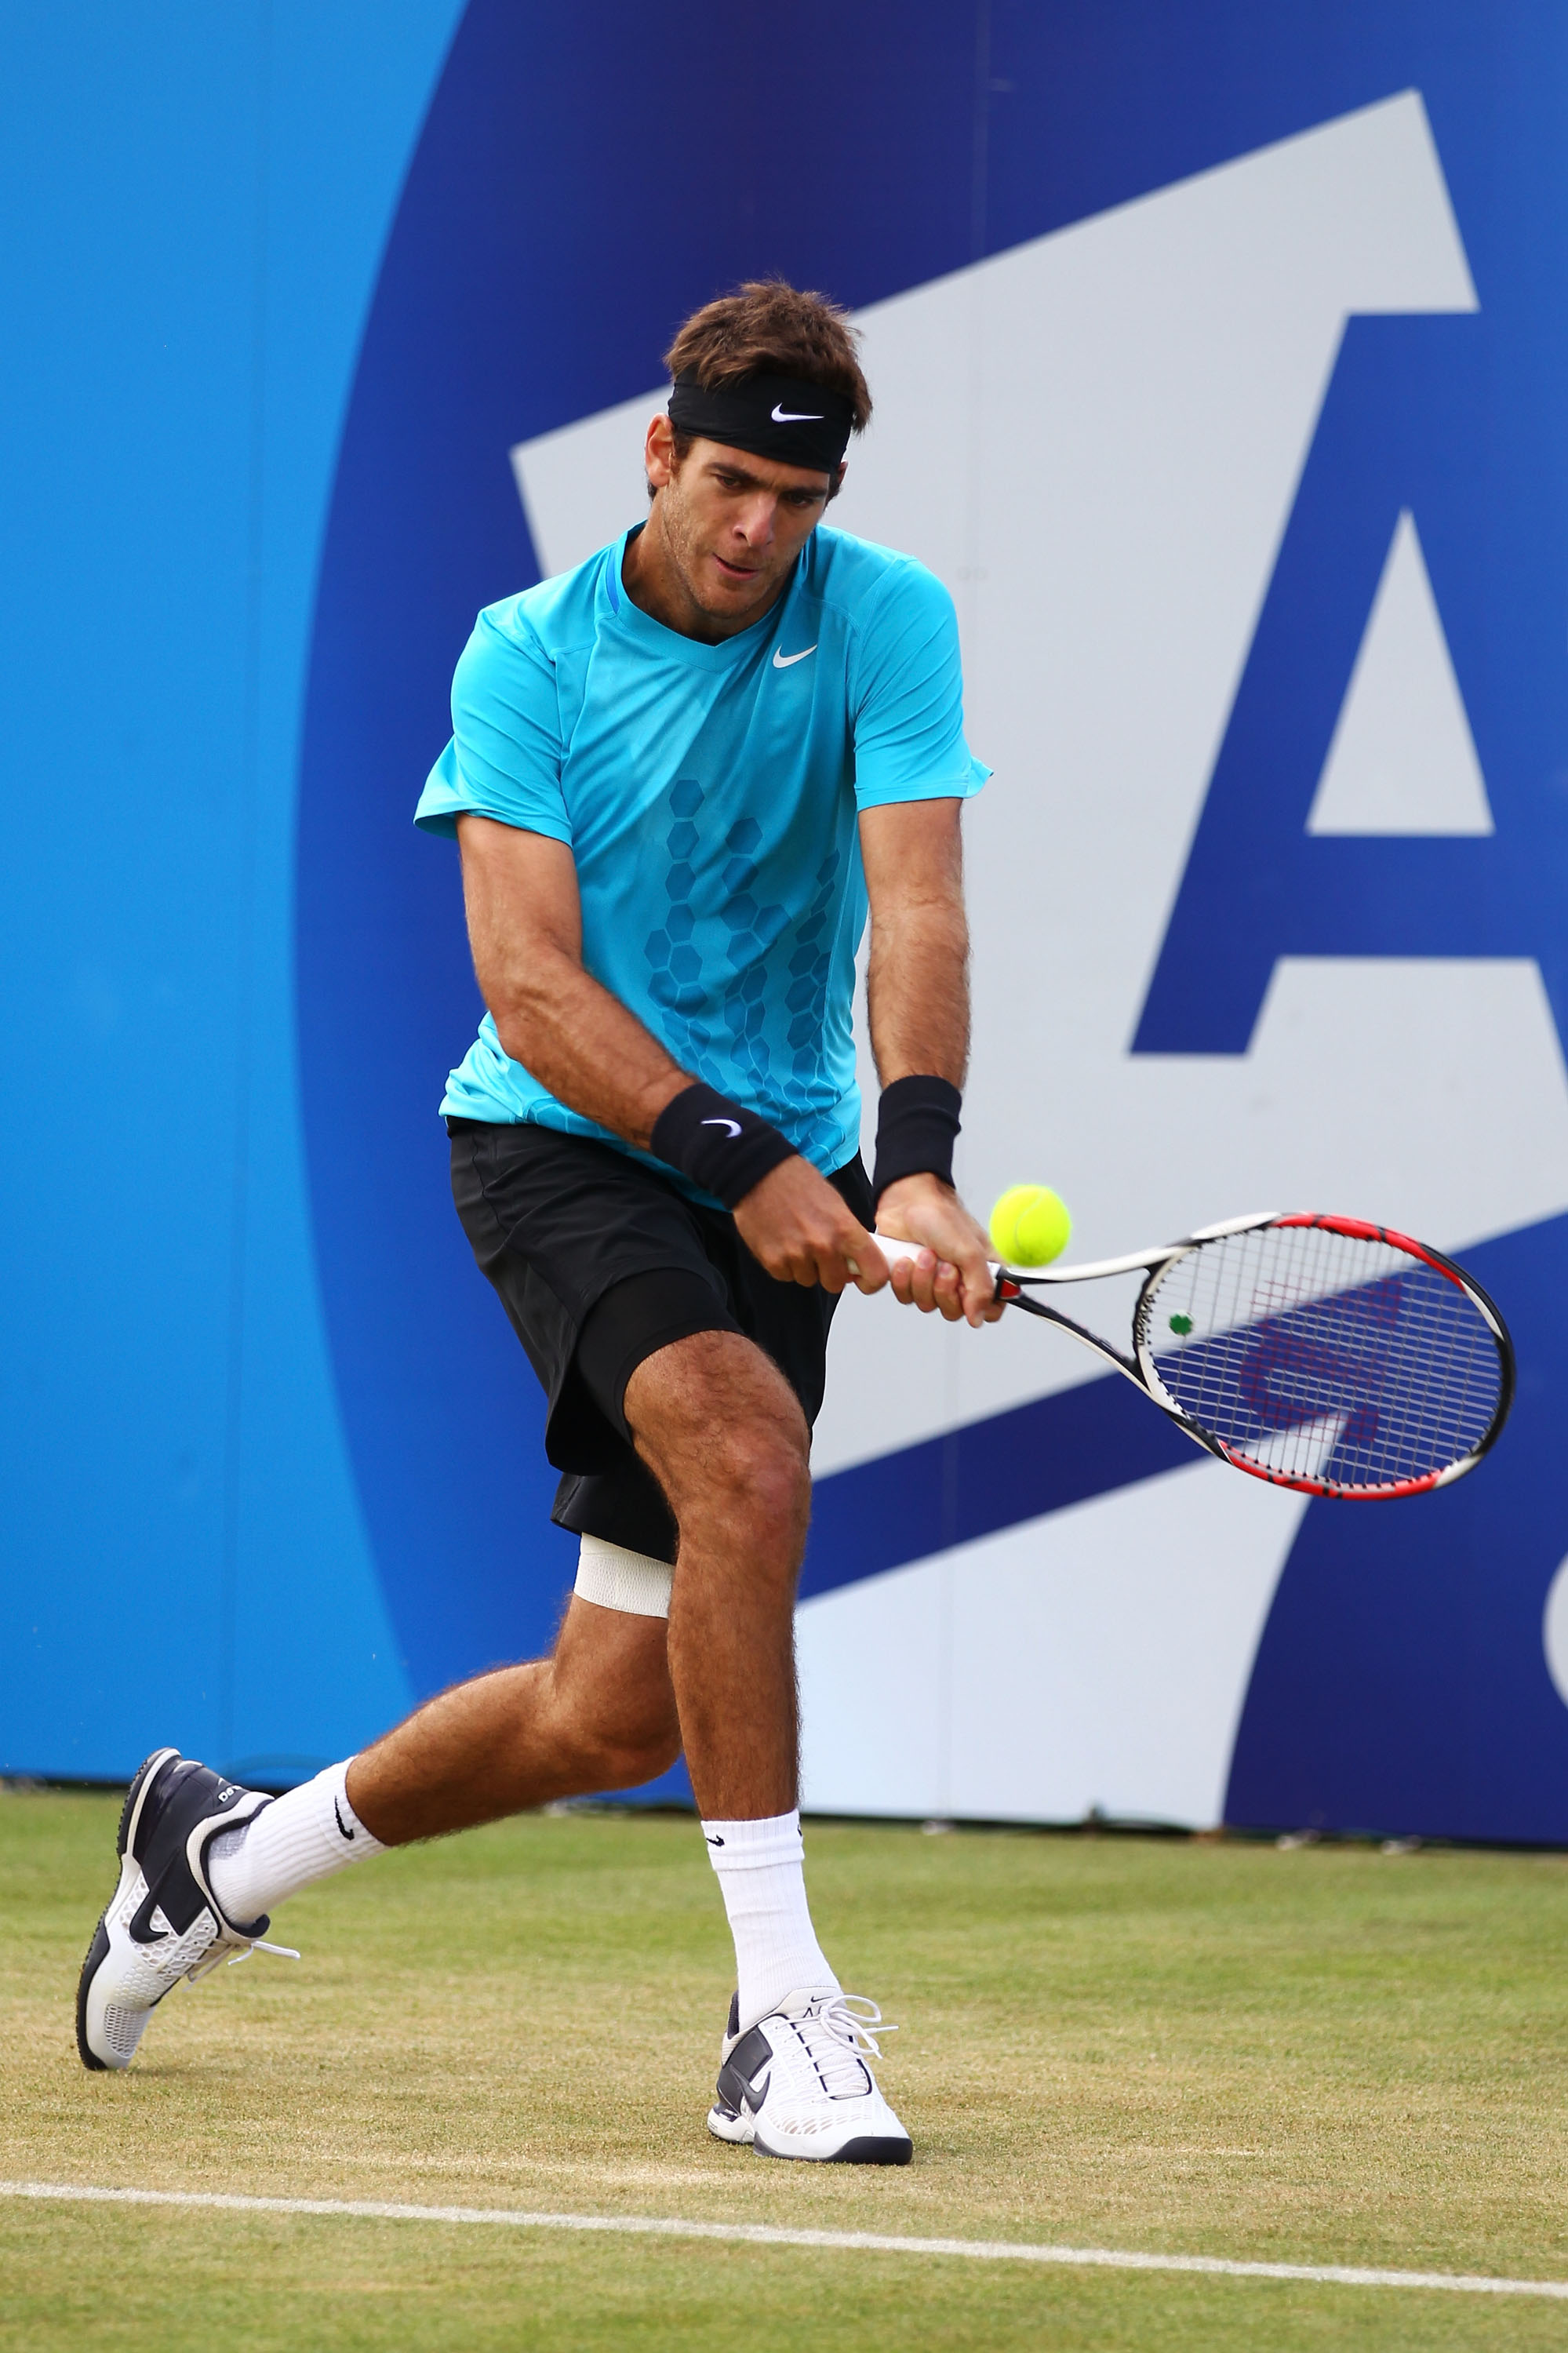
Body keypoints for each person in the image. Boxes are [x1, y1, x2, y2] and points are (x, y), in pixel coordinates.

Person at [77, 279, 1001, 2166]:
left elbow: (916, 907)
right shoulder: (525, 655)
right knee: (744, 1452)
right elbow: (529, 982)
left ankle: (219, 1857)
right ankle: (779, 2017)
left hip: (788, 1157)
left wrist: (911, 1158)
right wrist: (743, 1160)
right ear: (659, 455)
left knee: (608, 1717)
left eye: (798, 501)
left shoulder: (887, 616)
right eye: (732, 483)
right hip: (563, 1144)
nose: (759, 529)